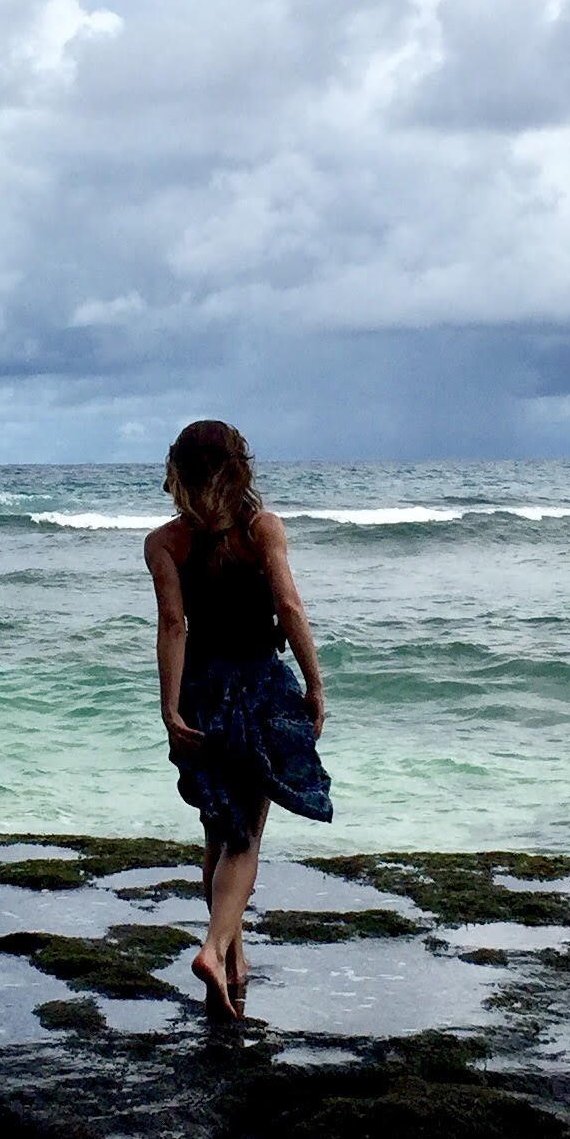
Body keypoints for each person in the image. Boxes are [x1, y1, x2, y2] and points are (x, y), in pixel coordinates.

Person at [144, 419, 331, 1015]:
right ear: (239, 468)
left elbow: (174, 626)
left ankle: (233, 957)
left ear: (178, 472)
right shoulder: (261, 529)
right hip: (258, 689)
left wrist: (170, 705)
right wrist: (315, 683)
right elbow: (288, 605)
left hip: (202, 691)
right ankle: (214, 945)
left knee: (219, 831)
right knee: (246, 833)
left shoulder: (164, 543)